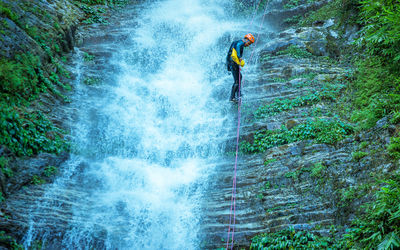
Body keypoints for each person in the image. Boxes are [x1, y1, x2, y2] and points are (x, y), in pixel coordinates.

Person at [226, 33, 255, 102]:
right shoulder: (240, 43)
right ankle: (232, 98)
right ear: (247, 40)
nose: (248, 45)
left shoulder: (235, 42)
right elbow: (238, 48)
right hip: (233, 63)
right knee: (236, 80)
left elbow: (229, 54)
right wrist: (240, 58)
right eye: (249, 43)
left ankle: (238, 93)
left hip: (231, 63)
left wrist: (229, 66)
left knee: (240, 77)